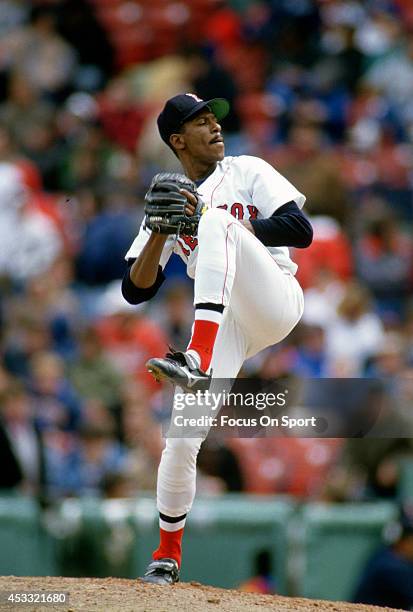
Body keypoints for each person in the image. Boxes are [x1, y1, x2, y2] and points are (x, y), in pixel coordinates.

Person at [122, 93, 313, 584]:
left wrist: (228, 224)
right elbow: (135, 289)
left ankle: (196, 356)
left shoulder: (247, 170)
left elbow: (300, 228)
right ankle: (166, 555)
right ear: (177, 140)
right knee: (181, 441)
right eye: (200, 122)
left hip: (274, 297)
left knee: (218, 220)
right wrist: (162, 234)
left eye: (214, 119)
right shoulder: (169, 193)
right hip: (224, 319)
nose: (214, 127)